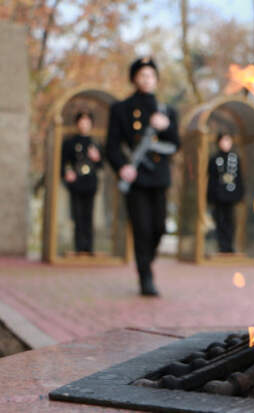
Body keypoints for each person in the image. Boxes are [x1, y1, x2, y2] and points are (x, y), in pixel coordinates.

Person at [105, 57, 180, 296]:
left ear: (156, 80)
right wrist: (121, 167)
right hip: (136, 177)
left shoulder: (167, 111)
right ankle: (145, 277)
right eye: (142, 75)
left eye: (151, 75)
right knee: (141, 228)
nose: (147, 79)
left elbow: (175, 144)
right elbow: (112, 146)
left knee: (158, 227)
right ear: (134, 78)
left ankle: (147, 260)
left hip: (159, 177)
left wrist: (165, 126)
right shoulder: (121, 109)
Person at [61, 111, 103, 254]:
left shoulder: (95, 143)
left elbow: (101, 165)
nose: (84, 124)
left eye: (87, 122)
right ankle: (79, 247)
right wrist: (67, 172)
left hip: (90, 182)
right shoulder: (70, 142)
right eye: (82, 121)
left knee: (89, 215)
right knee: (77, 215)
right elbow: (63, 162)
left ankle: (89, 247)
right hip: (76, 183)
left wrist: (97, 158)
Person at [207, 133, 245, 253]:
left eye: (228, 141)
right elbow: (211, 179)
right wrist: (210, 196)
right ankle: (222, 245)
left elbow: (239, 178)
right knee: (220, 220)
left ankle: (229, 245)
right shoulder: (214, 159)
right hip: (218, 195)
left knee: (230, 221)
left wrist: (240, 194)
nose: (226, 143)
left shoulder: (235, 158)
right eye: (224, 141)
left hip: (231, 195)